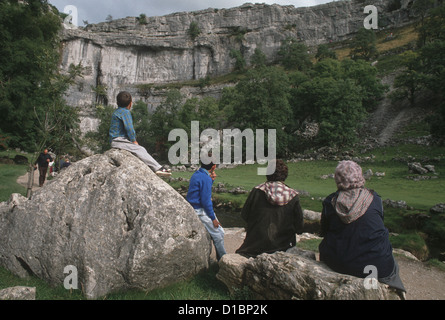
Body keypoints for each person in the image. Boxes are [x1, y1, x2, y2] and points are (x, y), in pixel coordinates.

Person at [318, 160, 406, 297]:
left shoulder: (330, 202)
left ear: (337, 179)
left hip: (339, 263)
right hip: (377, 266)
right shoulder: (375, 198)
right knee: (393, 263)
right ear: (359, 176)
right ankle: (397, 291)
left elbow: (323, 232)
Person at [236, 159, 304, 258]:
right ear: (285, 175)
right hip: (282, 247)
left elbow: (245, 215)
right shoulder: (293, 196)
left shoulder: (257, 191)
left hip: (254, 247)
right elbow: (299, 227)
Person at [109, 91, 171, 177]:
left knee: (138, 150)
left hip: (115, 140)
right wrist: (134, 140)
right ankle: (158, 168)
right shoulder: (125, 112)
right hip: (119, 141)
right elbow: (129, 128)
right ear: (130, 104)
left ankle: (156, 167)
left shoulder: (116, 112)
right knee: (140, 149)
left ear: (117, 103)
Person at [186, 159, 226, 261]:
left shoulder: (198, 174)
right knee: (218, 235)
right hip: (199, 210)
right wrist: (213, 218)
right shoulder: (205, 178)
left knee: (221, 232)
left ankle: (221, 258)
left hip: (195, 207)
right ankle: (223, 260)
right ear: (213, 167)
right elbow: (205, 201)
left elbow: (202, 189)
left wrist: (211, 180)